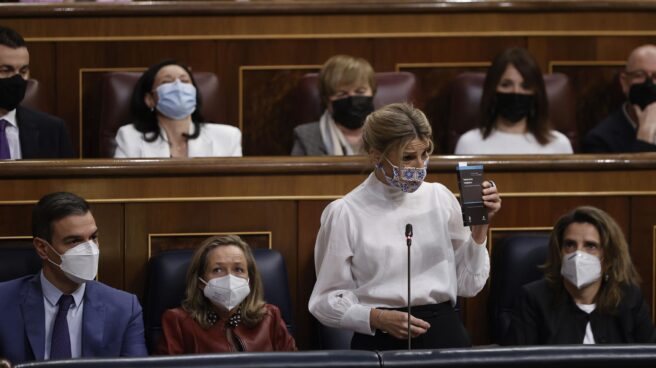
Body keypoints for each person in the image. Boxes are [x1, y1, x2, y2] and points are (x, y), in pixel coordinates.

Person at [309, 103, 501, 350]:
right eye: (408, 157)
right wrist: (376, 317)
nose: (420, 167)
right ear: (377, 155)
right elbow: (324, 301)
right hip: (382, 337)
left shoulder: (440, 198)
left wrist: (479, 229)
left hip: (444, 331)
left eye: (425, 154)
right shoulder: (345, 212)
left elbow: (469, 285)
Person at [0, 192, 147, 364]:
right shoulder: (3, 302)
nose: (89, 249)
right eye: (74, 241)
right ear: (42, 248)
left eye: (93, 237)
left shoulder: (124, 309)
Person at [506, 206, 656, 345]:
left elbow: (648, 356)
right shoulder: (534, 299)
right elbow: (517, 361)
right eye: (570, 245)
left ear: (609, 258)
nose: (578, 254)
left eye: (590, 246)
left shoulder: (628, 299)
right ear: (559, 252)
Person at [156, 235, 296, 353]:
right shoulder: (177, 323)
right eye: (217, 270)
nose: (229, 278)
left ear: (250, 280)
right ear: (200, 282)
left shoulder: (270, 318)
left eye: (239, 269)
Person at [454, 47, 573, 155]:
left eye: (525, 86)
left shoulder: (559, 144)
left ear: (536, 93)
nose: (516, 92)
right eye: (506, 85)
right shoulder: (469, 144)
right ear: (492, 89)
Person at [114, 60, 242, 158]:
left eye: (185, 81)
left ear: (194, 93)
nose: (178, 86)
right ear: (150, 99)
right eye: (167, 81)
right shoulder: (129, 137)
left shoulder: (228, 137)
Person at [0, 26, 73, 160]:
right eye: (6, 70)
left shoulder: (53, 131)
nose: (17, 79)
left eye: (23, 71)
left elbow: (67, 181)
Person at [291, 54, 376, 156]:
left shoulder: (390, 134)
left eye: (360, 92)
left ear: (373, 93)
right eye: (342, 94)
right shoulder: (305, 137)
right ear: (327, 100)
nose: (352, 100)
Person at [583, 45, 656, 153]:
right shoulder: (600, 140)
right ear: (624, 82)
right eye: (640, 75)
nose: (650, 83)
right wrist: (644, 136)